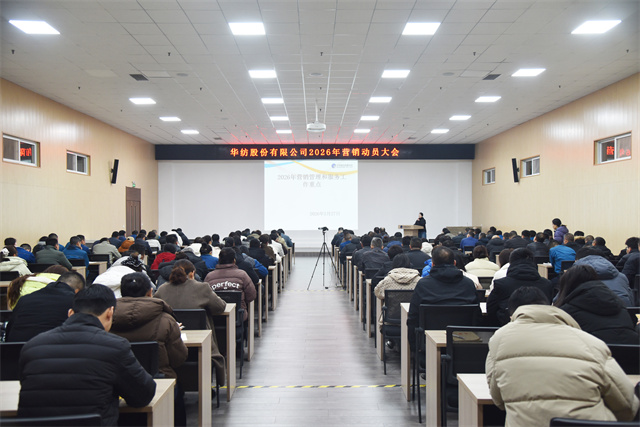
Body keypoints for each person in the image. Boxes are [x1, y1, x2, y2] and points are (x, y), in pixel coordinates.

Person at [486, 286, 639, 427]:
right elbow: (627, 404)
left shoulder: (499, 340)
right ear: (551, 306)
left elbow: (498, 400)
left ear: (511, 315)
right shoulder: (591, 343)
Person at [17, 284, 156, 424]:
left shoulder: (32, 346)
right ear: (110, 312)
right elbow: (143, 395)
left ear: (70, 313)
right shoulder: (115, 347)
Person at [155, 259, 228, 386]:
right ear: (192, 273)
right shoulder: (202, 288)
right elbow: (220, 307)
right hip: (200, 345)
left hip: (170, 345)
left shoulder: (162, 290)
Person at [111, 272, 188, 378]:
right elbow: (178, 359)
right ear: (150, 293)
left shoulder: (106, 319)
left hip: (116, 381)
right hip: (159, 381)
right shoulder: (166, 321)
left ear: (121, 293)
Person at [407, 246, 479, 345]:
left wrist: (414, 345)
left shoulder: (423, 285)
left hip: (428, 342)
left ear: (432, 264)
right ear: (454, 263)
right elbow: (477, 315)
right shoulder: (468, 284)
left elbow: (413, 317)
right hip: (465, 341)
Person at [554, 264, 639, 344]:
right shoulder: (618, 302)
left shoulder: (566, 311)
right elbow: (633, 322)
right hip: (632, 349)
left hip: (592, 351)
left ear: (567, 285)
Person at [6, 271, 85, 342]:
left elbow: (9, 328)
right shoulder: (75, 302)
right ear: (77, 291)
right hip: (54, 349)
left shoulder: (25, 299)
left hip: (17, 349)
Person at [486, 248, 553, 326]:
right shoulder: (547, 284)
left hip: (508, 328)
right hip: (540, 328)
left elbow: (491, 310)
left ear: (511, 263)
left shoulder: (501, 284)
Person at [204, 248, 256, 322]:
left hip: (214, 317)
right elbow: (251, 295)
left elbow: (205, 296)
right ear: (234, 260)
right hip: (238, 316)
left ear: (219, 260)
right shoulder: (242, 275)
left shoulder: (209, 277)